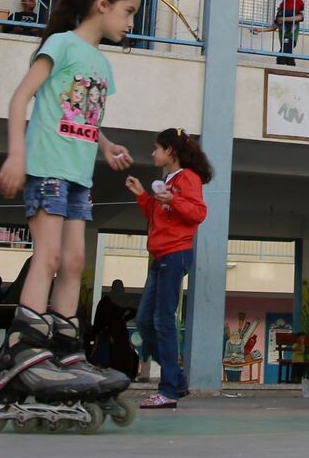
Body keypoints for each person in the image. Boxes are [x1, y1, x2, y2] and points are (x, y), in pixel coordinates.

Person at [0, 0, 141, 408]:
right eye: (128, 12)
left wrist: (108, 145)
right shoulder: (60, 45)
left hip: (78, 176)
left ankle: (65, 352)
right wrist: (17, 155)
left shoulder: (102, 64)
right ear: (102, 4)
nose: (131, 23)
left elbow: (85, 118)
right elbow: (21, 99)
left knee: (75, 261)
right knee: (50, 257)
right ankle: (23, 354)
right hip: (47, 167)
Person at [124, 128, 213, 408]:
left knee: (162, 321)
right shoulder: (169, 179)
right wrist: (142, 195)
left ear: (169, 151)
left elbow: (198, 213)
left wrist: (173, 199)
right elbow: (157, 214)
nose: (153, 153)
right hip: (161, 256)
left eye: (156, 148)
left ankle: (169, 390)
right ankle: (177, 381)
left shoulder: (188, 178)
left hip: (175, 255)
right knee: (144, 321)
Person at [91, 279, 139, 378]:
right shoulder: (106, 301)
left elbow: (133, 310)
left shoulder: (119, 301)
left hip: (119, 332)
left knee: (121, 354)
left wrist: (124, 317)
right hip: (109, 333)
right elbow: (102, 319)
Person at [253, 0, 303, 66]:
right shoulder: (281, 10)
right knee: (288, 57)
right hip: (283, 38)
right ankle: (292, 74)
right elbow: (274, 27)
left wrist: (284, 19)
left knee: (281, 57)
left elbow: (300, 17)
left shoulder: (295, 7)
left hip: (290, 36)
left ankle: (286, 73)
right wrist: (259, 30)